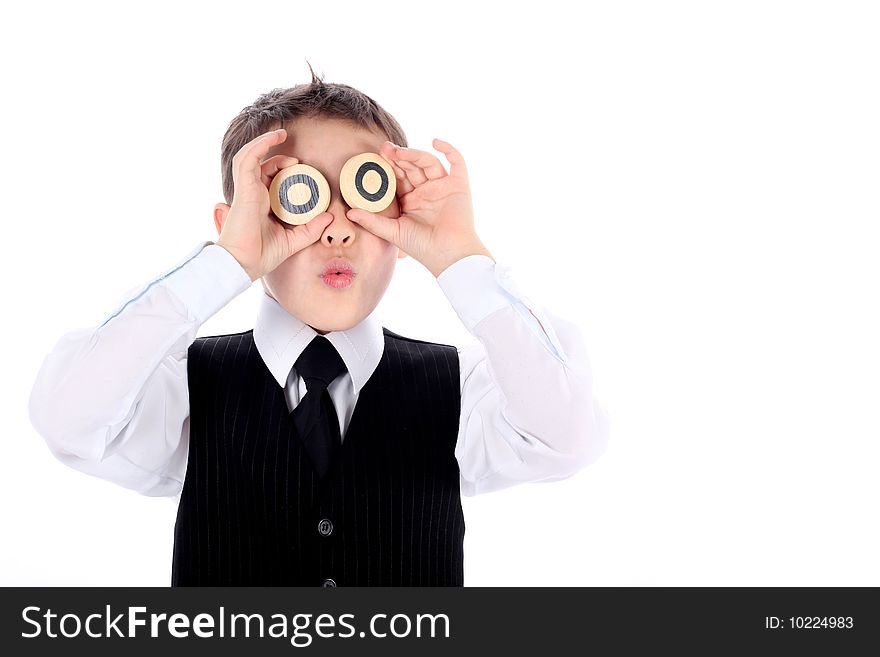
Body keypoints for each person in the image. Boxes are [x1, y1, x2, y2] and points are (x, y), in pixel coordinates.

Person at [29, 67, 610, 586]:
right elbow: (68, 417)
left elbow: (568, 435)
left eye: (364, 191)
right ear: (238, 225)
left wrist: (463, 259)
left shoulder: (465, 390)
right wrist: (224, 264)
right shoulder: (182, 389)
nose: (335, 228)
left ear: (400, 218)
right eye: (298, 194)